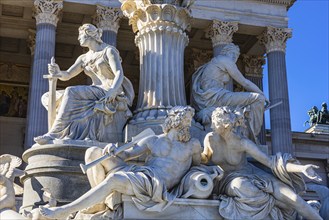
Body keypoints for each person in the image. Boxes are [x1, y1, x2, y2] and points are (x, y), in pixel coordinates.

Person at [39, 106, 202, 219]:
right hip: (142, 175)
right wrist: (111, 149)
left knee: (114, 180)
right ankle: (101, 203)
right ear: (174, 121)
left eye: (188, 121)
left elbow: (200, 167)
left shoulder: (192, 145)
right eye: (186, 120)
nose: (188, 124)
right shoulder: (152, 140)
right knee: (93, 152)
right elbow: (126, 155)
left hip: (156, 185)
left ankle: (64, 210)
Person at [201, 106, 323, 220]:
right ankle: (279, 204)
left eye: (215, 123)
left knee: (294, 198)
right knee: (241, 186)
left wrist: (301, 168)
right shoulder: (210, 139)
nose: (212, 125)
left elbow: (271, 162)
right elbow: (204, 159)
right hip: (229, 179)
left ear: (226, 125)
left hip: (253, 173)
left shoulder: (243, 143)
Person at [34, 24, 134, 145]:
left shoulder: (108, 51)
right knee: (48, 96)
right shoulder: (84, 58)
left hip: (108, 89)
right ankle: (66, 132)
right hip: (95, 90)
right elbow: (68, 75)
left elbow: (119, 73)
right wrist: (58, 72)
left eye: (80, 35)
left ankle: (54, 133)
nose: (78, 39)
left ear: (89, 35)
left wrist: (112, 91)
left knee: (71, 91)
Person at [191, 43, 268, 137]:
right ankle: (252, 135)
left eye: (236, 56)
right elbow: (245, 83)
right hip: (216, 97)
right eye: (235, 55)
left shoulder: (213, 62)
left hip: (211, 98)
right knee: (258, 98)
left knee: (241, 108)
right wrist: (262, 94)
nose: (235, 59)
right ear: (228, 52)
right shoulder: (225, 60)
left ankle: (245, 132)